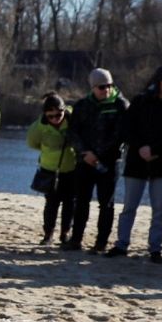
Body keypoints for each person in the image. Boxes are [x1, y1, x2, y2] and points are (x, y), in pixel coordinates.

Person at [106, 64, 162, 262]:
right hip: (136, 160)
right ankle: (121, 244)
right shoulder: (141, 101)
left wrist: (155, 150)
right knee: (129, 207)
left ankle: (155, 249)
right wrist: (141, 147)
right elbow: (127, 128)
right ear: (158, 81)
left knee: (159, 210)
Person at [65, 68, 129, 252]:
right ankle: (76, 239)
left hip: (110, 162)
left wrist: (99, 155)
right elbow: (72, 132)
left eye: (109, 85)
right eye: (101, 87)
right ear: (93, 87)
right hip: (85, 161)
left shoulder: (121, 106)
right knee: (82, 201)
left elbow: (120, 135)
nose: (106, 90)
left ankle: (101, 242)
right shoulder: (82, 105)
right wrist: (85, 152)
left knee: (106, 204)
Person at [26, 93, 78, 246]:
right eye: (51, 116)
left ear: (64, 110)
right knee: (51, 204)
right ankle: (48, 234)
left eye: (59, 114)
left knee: (70, 203)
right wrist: (49, 150)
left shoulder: (73, 118)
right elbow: (32, 143)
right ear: (44, 115)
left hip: (71, 169)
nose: (56, 118)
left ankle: (65, 233)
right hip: (49, 170)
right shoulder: (38, 127)